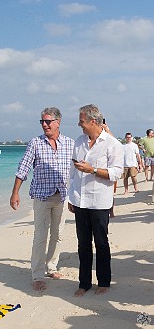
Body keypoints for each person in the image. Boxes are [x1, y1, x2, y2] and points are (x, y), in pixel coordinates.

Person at [10, 107, 74, 291]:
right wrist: (15, 193)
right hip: (42, 197)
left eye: (48, 121)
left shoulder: (69, 144)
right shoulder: (35, 143)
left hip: (62, 196)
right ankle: (37, 274)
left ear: (58, 122)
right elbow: (23, 168)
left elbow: (78, 170)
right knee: (40, 236)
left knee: (58, 235)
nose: (44, 125)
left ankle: (52, 266)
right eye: (42, 122)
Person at [68, 104, 124, 297]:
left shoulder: (112, 144)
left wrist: (92, 170)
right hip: (79, 200)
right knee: (82, 243)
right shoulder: (79, 141)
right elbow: (73, 171)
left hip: (100, 201)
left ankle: (104, 282)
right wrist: (70, 196)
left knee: (101, 242)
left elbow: (117, 173)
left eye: (81, 121)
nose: (79, 125)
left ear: (93, 121)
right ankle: (84, 283)